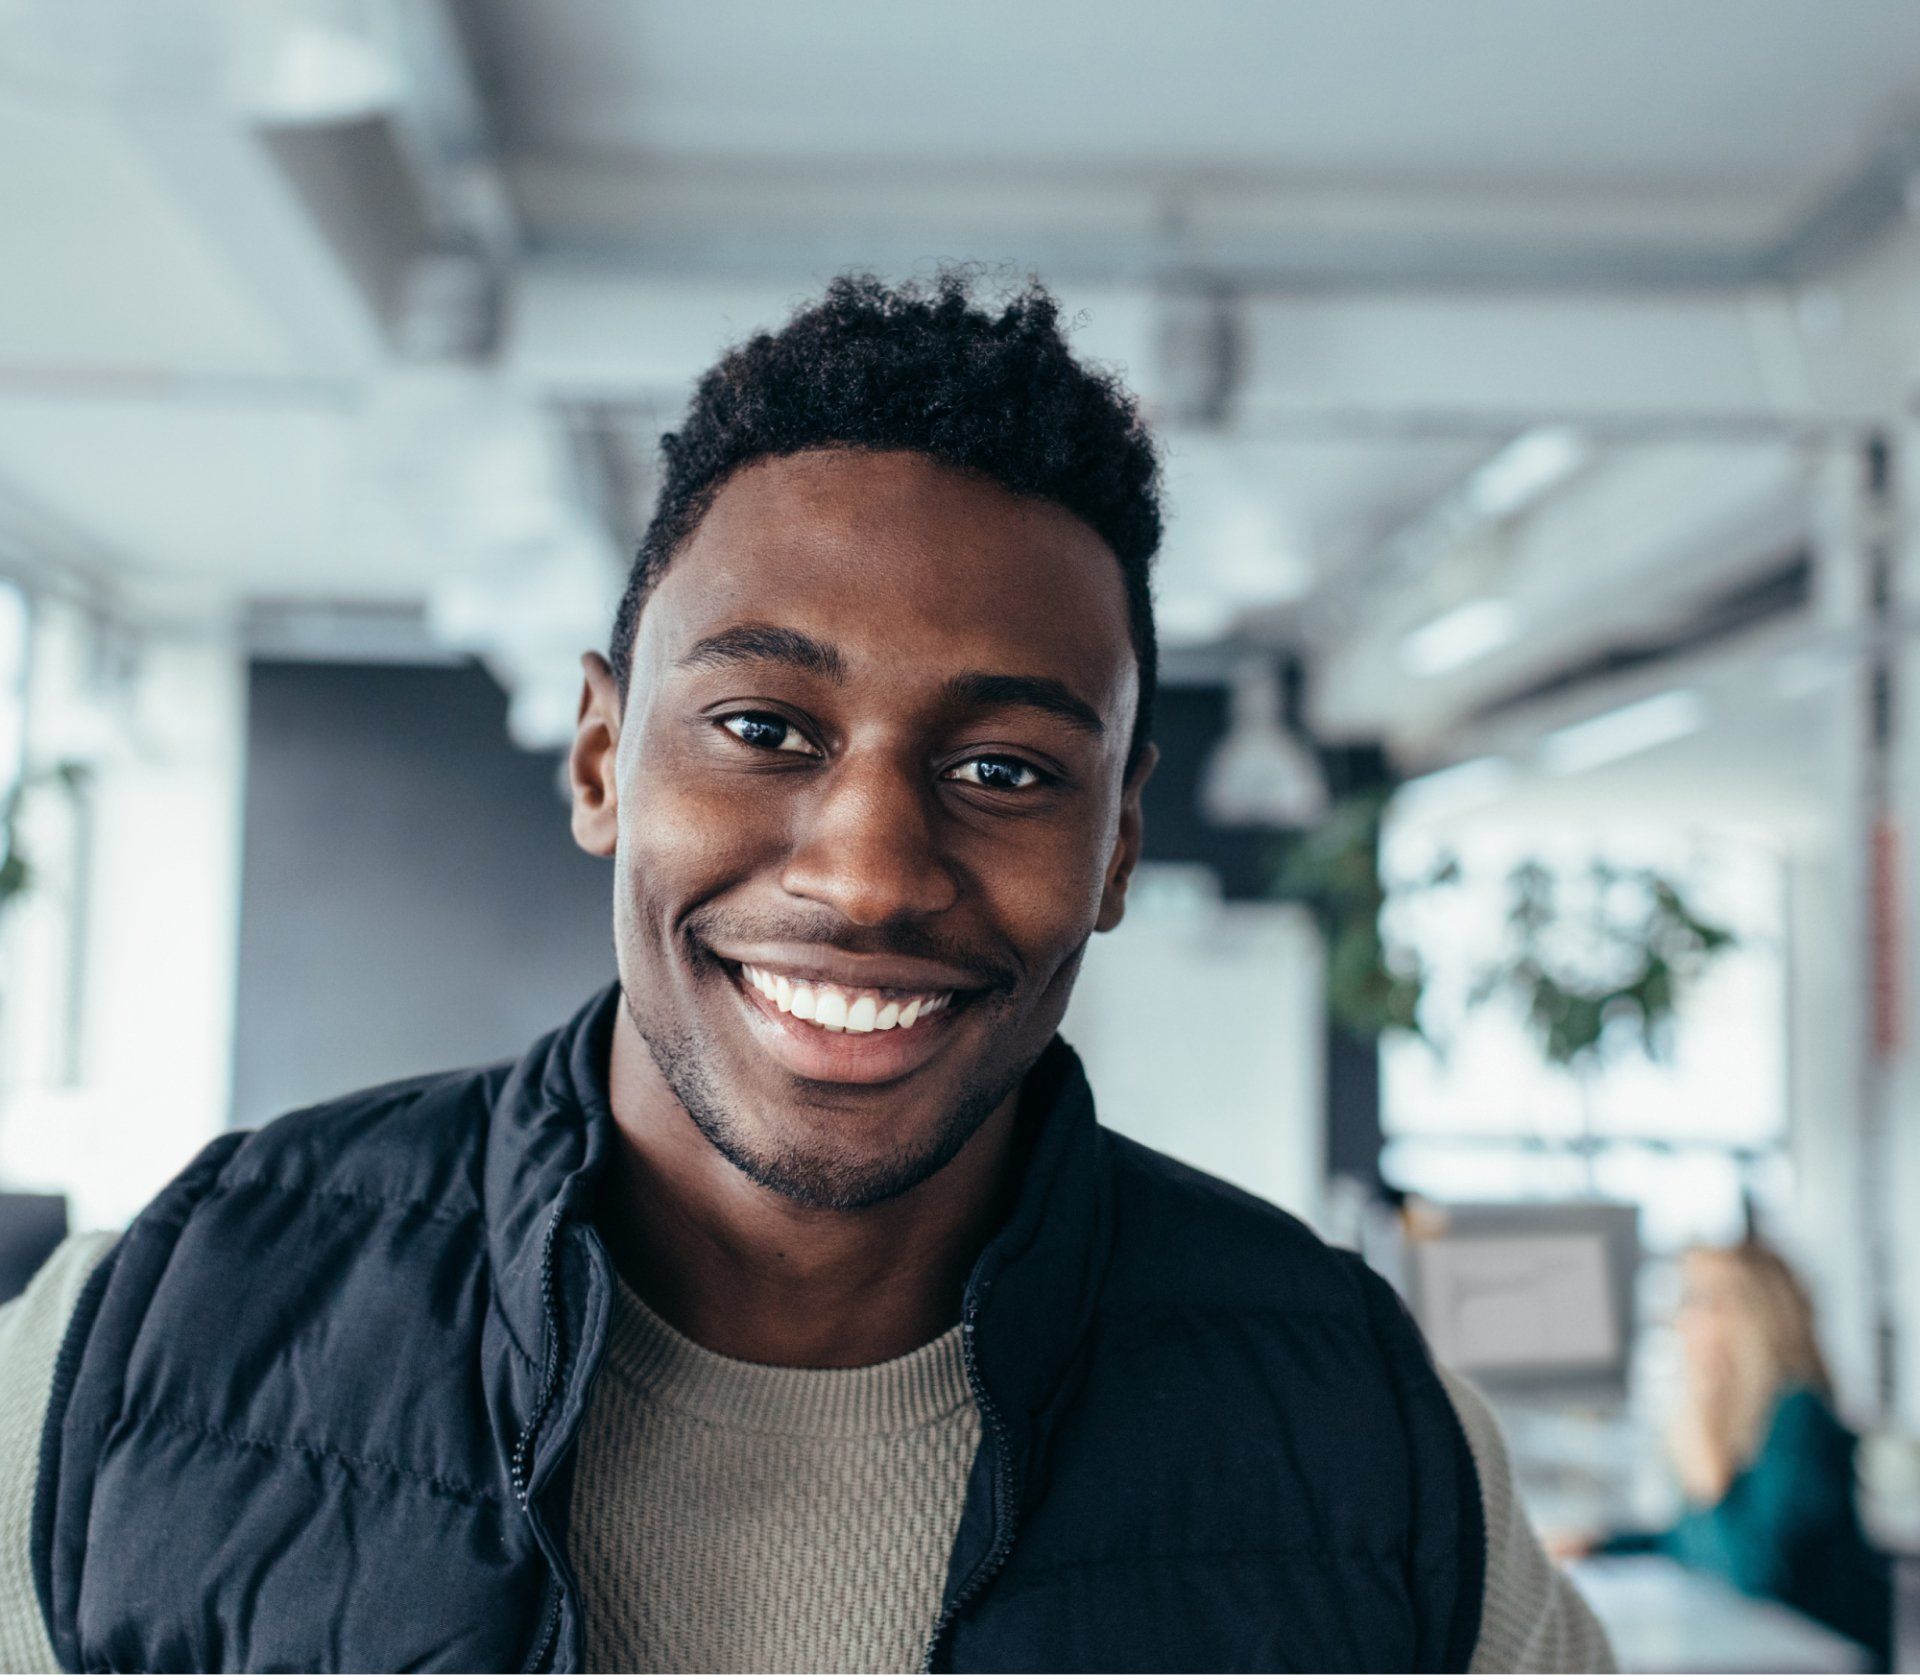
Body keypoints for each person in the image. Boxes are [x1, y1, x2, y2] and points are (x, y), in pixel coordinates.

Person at [0, 272, 1613, 1673]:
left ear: (1119, 842)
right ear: (600, 761)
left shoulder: (1365, 1443)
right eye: (765, 730)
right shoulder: (146, 1344)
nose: (869, 874)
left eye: (1005, 772)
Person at [1575, 1240, 1892, 1670]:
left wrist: (1705, 1462)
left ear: (1752, 1317)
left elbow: (1750, 1576)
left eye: (1699, 1302)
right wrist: (1600, 1544)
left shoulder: (1797, 1414)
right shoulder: (1725, 1418)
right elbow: (1689, 1543)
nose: (1679, 1320)